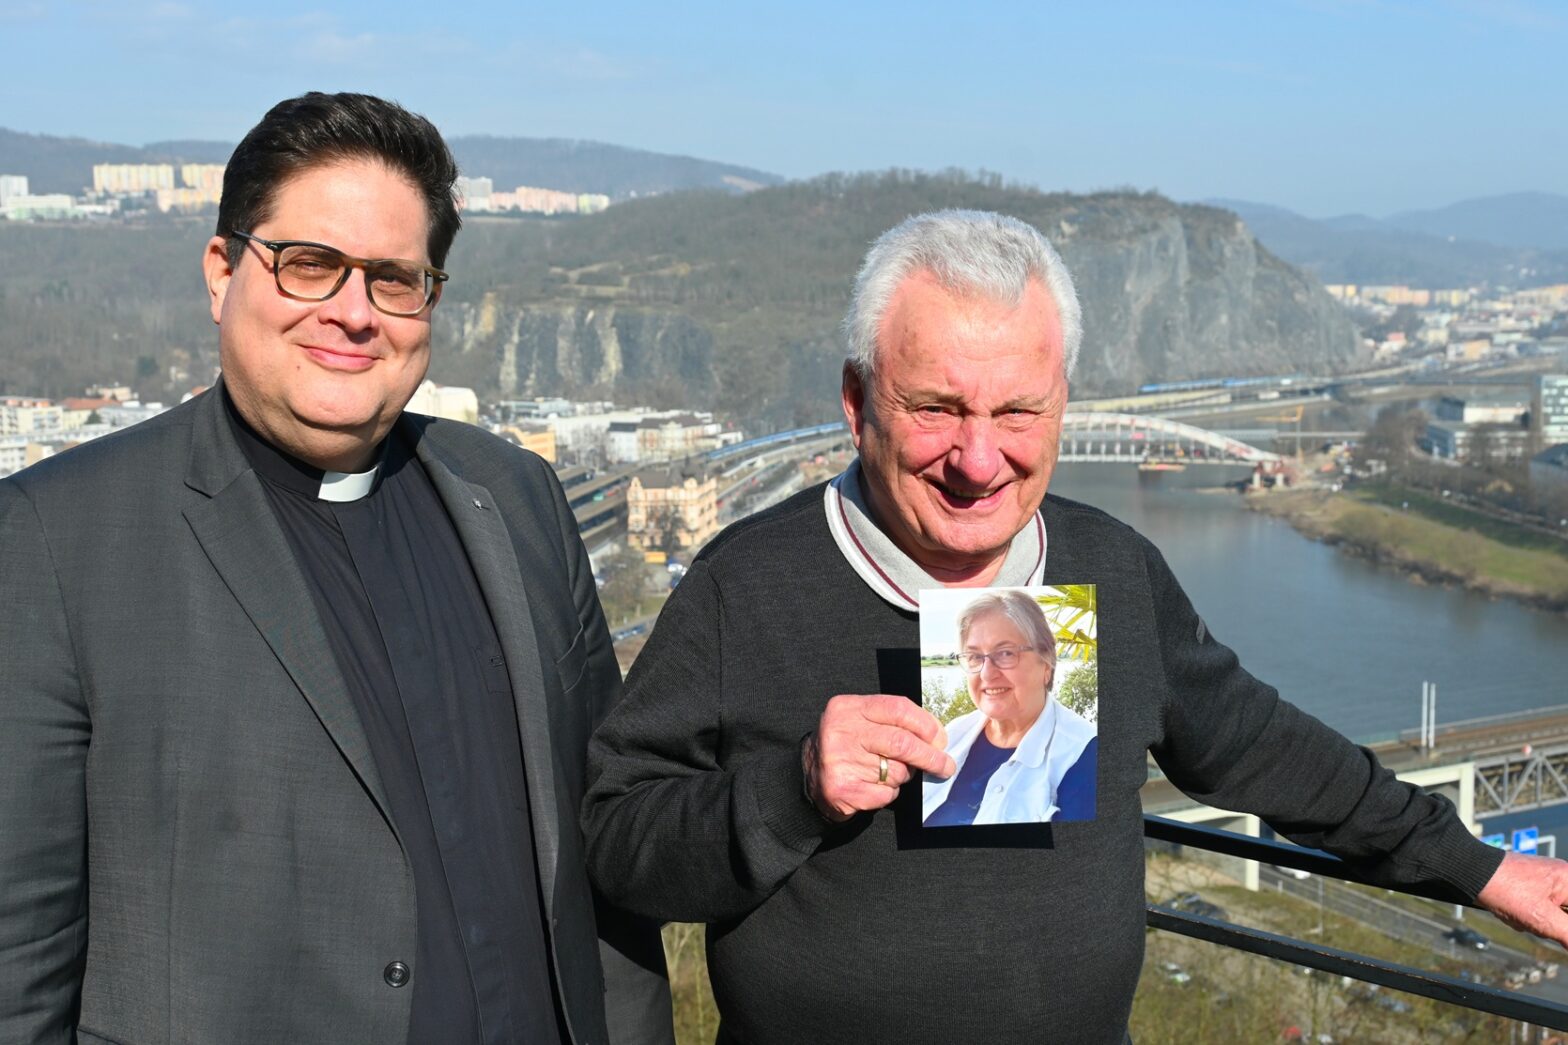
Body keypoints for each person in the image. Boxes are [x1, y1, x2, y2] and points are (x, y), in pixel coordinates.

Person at [583, 208, 1568, 1044]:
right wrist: (789, 788)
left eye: (1018, 411)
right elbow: (617, 841)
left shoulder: (1112, 567)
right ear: (855, 404)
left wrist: (1480, 866)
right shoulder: (744, 584)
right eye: (935, 408)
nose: (979, 460)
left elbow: (1260, 749)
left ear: (1064, 405)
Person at [0, 92, 671, 1045]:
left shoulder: (516, 497)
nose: (353, 315)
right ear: (222, 269)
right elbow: (17, 961)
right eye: (309, 264)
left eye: (394, 279)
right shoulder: (59, 540)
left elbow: (606, 860)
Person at [922, 589, 1096, 826]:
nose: (986, 673)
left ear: (1047, 661)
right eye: (974, 656)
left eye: (1005, 653)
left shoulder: (1084, 754)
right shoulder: (951, 735)